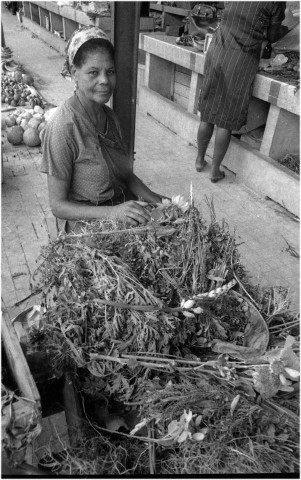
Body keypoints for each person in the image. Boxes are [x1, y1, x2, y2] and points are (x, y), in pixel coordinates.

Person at [41, 26, 165, 233]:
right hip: (87, 231)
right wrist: (112, 212)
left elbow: (127, 177)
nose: (105, 81)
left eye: (110, 71)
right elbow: (58, 205)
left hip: (121, 214)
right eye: (93, 73)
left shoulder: (110, 117)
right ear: (74, 74)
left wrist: (164, 203)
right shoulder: (63, 128)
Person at [195, 2, 288, 183]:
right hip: (241, 57)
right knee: (226, 118)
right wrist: (283, 29)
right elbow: (273, 35)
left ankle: (199, 161)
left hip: (217, 50)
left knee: (208, 111)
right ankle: (214, 171)